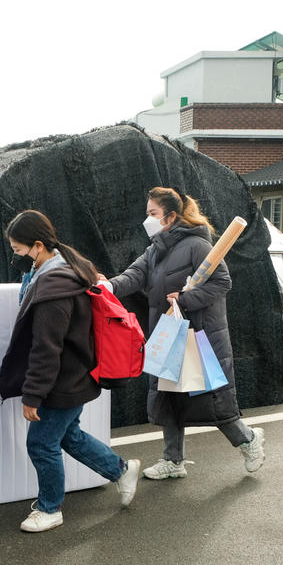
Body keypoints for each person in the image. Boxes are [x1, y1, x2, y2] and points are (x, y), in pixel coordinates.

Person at [107, 187, 266, 480]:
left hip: (200, 335)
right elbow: (134, 275)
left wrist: (183, 299)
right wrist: (110, 286)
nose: (148, 220)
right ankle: (173, 460)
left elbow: (222, 283)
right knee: (169, 399)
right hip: (168, 333)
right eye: (147, 214)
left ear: (170, 216)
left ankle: (249, 440)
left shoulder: (197, 246)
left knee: (213, 401)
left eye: (152, 214)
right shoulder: (154, 249)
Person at [0, 209, 141, 533]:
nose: (15, 255)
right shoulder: (69, 266)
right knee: (69, 436)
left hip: (62, 380)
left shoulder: (53, 288)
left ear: (37, 245)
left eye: (19, 249)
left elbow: (47, 348)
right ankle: (120, 470)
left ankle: (51, 508)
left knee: (41, 444)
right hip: (77, 373)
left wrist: (32, 395)